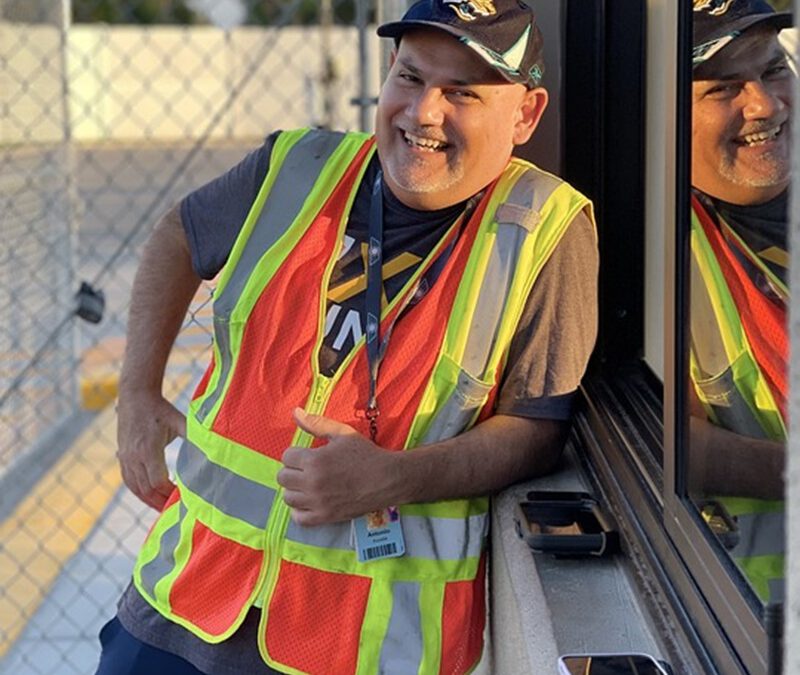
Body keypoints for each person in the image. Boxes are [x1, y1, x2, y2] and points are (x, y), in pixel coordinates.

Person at [97, 1, 598, 673]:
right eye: (412, 77)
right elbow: (177, 235)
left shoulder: (546, 232)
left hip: (356, 650)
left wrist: (395, 477)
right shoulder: (294, 168)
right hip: (182, 604)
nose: (423, 113)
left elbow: (536, 428)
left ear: (526, 114)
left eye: (463, 94)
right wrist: (136, 390)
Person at [689, 0, 793, 602]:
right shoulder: (652, 243)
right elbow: (668, 441)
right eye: (725, 86)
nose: (764, 104)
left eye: (773, 70)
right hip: (755, 628)